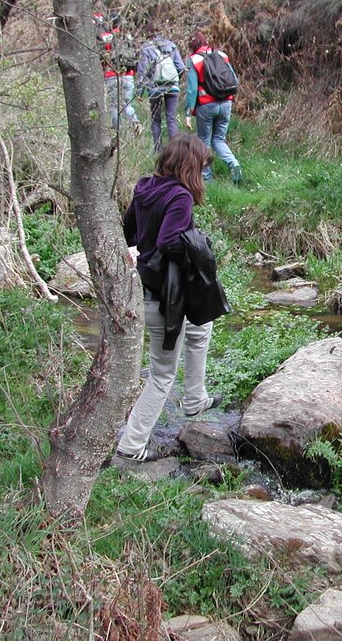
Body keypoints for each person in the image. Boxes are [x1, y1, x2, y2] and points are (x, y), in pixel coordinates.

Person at [117, 133, 224, 462]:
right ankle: (132, 445)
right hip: (166, 298)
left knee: (201, 327)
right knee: (162, 375)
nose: (204, 175)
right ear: (190, 165)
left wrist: (146, 245)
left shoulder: (145, 186)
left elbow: (128, 230)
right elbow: (169, 242)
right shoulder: (180, 197)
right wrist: (197, 243)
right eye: (203, 167)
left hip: (151, 290)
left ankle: (194, 397)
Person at [184, 31, 242, 183]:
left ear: (191, 45)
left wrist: (188, 112)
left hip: (207, 105)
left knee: (204, 141)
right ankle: (233, 163)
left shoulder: (193, 60)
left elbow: (191, 89)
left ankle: (207, 178)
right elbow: (234, 79)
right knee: (219, 139)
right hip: (226, 103)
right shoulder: (221, 55)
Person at [136, 29, 186, 152]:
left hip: (155, 88)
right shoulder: (172, 46)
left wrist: (140, 92)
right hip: (173, 87)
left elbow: (142, 71)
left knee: (156, 119)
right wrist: (174, 80)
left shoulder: (146, 48)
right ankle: (174, 151)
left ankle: (158, 151)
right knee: (171, 119)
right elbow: (180, 67)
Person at [96, 13, 143, 137]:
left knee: (114, 106)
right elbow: (135, 56)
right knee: (127, 103)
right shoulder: (127, 37)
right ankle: (135, 121)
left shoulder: (107, 37)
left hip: (112, 75)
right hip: (128, 75)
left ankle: (117, 134)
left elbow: (102, 56)